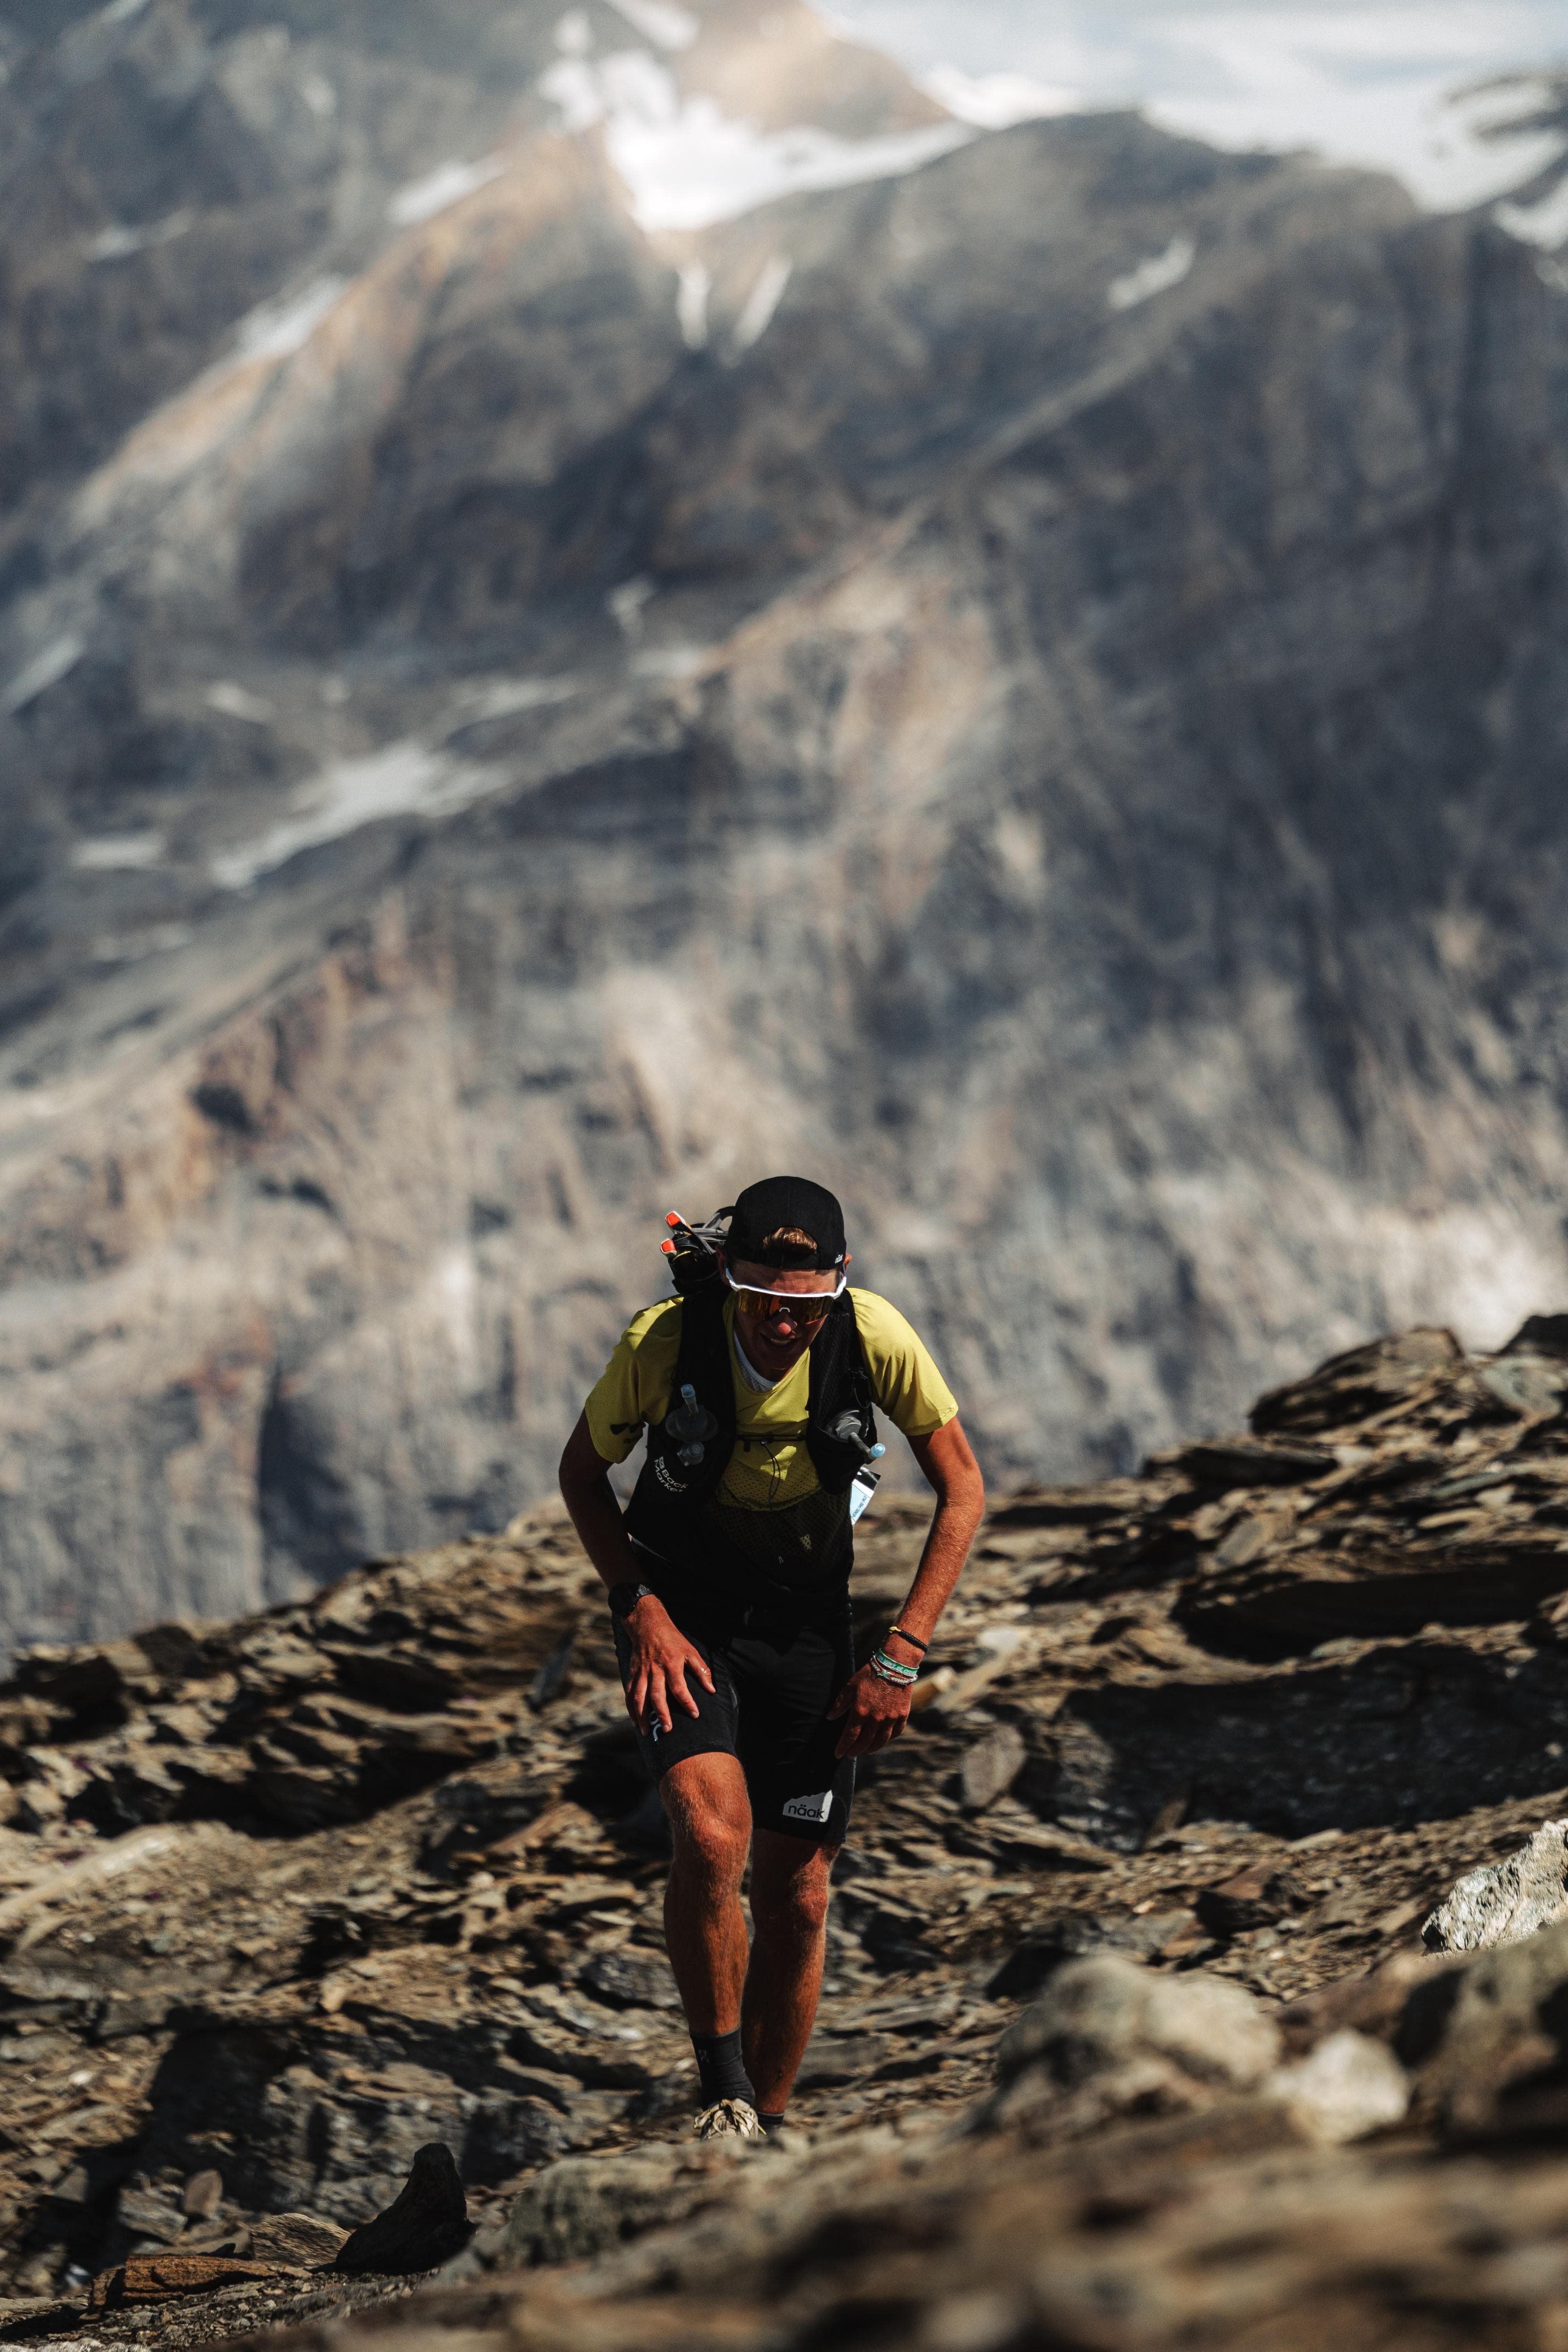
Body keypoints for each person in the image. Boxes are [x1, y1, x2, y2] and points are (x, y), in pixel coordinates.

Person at [557, 1174, 985, 2139]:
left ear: (839, 1283)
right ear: (727, 1277)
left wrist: (900, 1655)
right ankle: (727, 2101)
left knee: (799, 1895)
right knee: (713, 1840)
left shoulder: (873, 1335)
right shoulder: (663, 1342)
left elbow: (962, 1488)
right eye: (759, 1300)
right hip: (684, 1618)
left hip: (806, 1626)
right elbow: (582, 1474)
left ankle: (772, 2132)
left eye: (806, 1307)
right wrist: (637, 1606)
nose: (783, 1325)